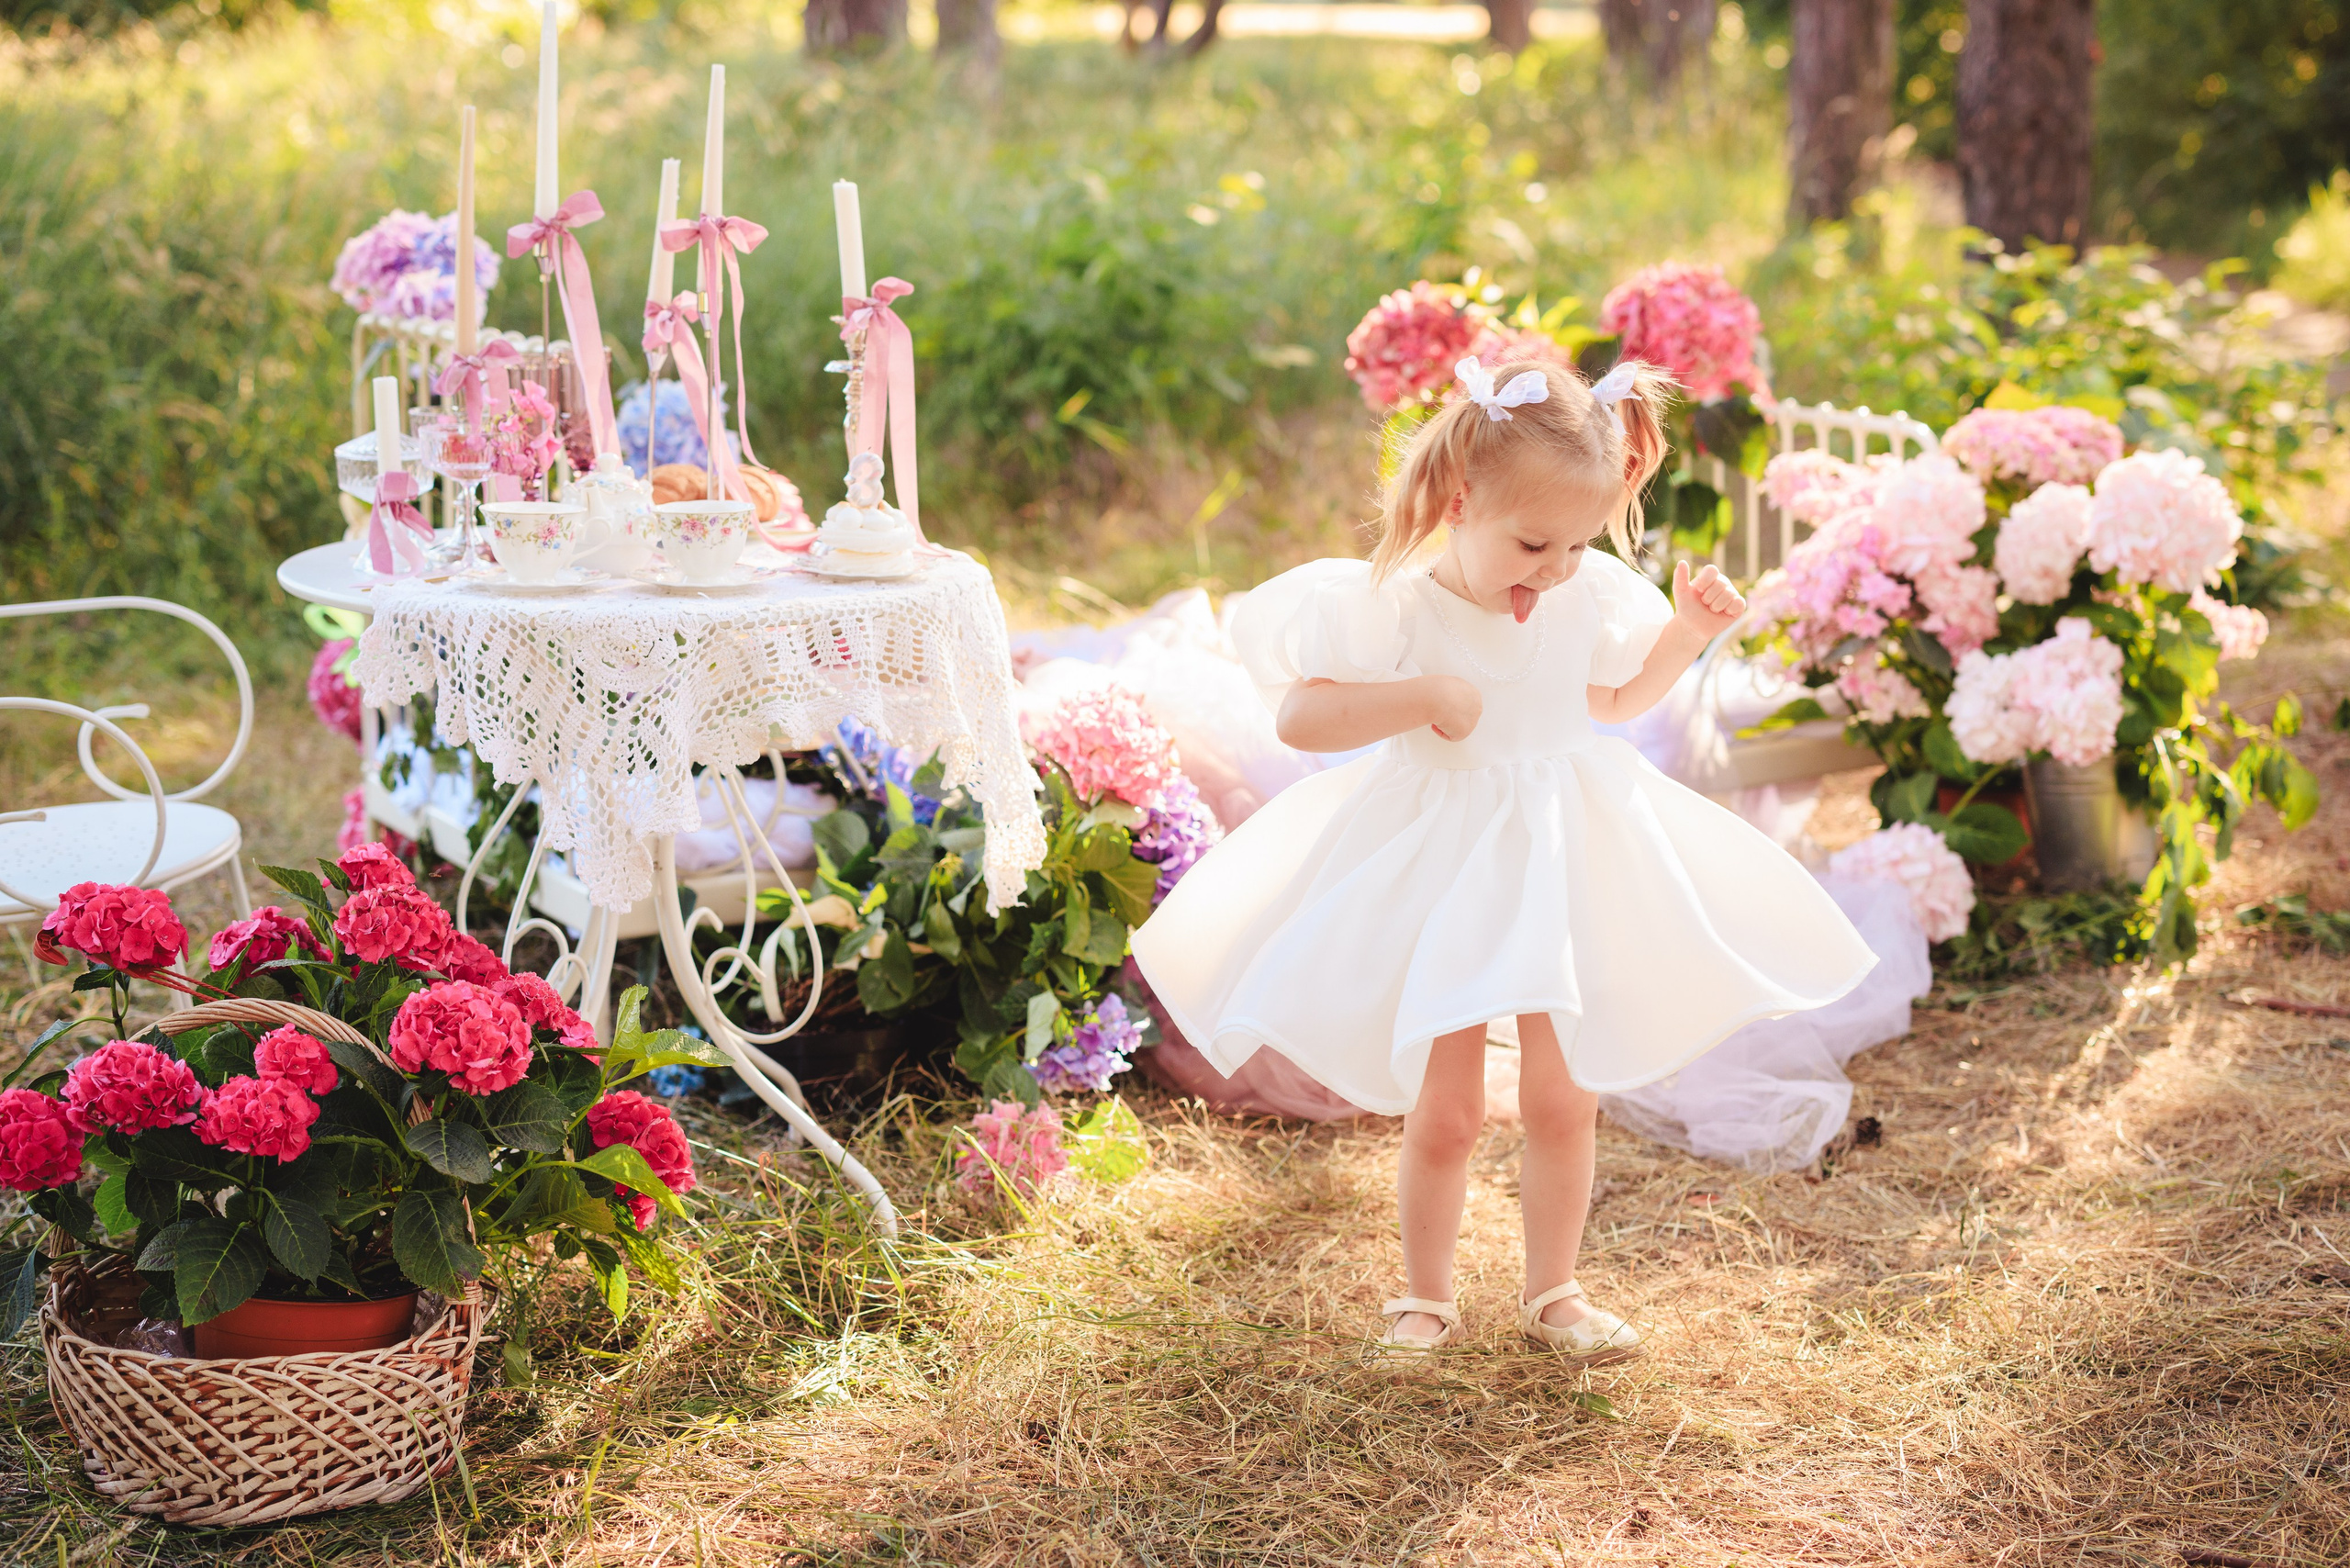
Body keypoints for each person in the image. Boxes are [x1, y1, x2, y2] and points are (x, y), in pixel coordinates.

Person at [1129, 353, 1876, 1360]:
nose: (1554, 568)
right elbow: (1305, 715)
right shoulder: (1394, 607)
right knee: (1447, 1107)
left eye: (1574, 545)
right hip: (1448, 866)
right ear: (1458, 496)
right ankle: (1425, 1295)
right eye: (1532, 543)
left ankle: (1554, 1289)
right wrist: (1423, 698)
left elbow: (1607, 702)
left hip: (1559, 854)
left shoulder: (1581, 594)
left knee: (1565, 1095)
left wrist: (1685, 635)